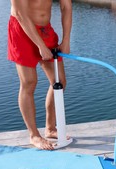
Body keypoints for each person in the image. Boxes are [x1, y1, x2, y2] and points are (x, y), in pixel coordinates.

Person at [8, 0, 72, 150]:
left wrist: (66, 39)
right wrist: (40, 46)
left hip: (45, 30)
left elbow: (66, 6)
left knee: (59, 82)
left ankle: (50, 127)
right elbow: (20, 14)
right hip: (22, 30)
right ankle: (34, 135)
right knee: (29, 82)